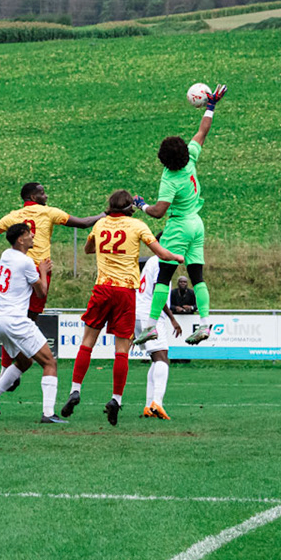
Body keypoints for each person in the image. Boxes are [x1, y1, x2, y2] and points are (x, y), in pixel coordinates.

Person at [65, 190, 183, 424]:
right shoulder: (138, 226)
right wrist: (177, 257)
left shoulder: (100, 225)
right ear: (130, 207)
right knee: (122, 349)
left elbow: (88, 249)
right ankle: (116, 399)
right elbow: (160, 252)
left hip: (102, 288)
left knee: (87, 342)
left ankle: (75, 389)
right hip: (125, 292)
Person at [0, 183, 103, 374]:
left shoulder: (13, 216)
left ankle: (6, 370)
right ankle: (25, 364)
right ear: (32, 196)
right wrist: (105, 214)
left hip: (15, 268)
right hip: (39, 270)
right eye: (42, 193)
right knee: (29, 321)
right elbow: (83, 223)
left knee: (11, 316)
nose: (46, 196)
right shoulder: (49, 212)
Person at [136, 84, 229, 346]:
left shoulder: (170, 179)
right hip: (197, 224)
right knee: (197, 276)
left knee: (164, 276)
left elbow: (158, 212)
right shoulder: (190, 159)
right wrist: (211, 106)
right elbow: (202, 131)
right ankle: (205, 325)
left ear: (164, 160)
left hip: (178, 226)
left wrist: (141, 205)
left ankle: (151, 327)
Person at [0, 221, 65, 423]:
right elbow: (41, 293)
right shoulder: (25, 263)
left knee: (24, 361)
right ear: (20, 239)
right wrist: (43, 270)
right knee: (50, 363)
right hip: (15, 320)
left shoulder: (6, 255)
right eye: (29, 233)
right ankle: (48, 414)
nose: (32, 235)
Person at [137, 254, 188, 420]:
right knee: (162, 359)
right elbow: (156, 293)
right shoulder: (160, 262)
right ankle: (156, 403)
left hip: (142, 313)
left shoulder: (152, 262)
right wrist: (172, 318)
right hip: (150, 315)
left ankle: (149, 405)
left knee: (156, 359)